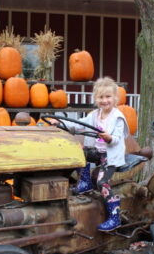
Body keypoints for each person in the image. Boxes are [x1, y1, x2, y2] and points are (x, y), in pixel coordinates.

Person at [52, 77, 129, 231]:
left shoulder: (118, 118)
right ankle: (85, 182)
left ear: (115, 98)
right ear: (96, 98)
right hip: (97, 152)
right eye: (101, 97)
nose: (104, 100)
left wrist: (109, 138)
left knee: (102, 183)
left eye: (108, 97)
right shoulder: (95, 115)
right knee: (78, 152)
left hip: (110, 156)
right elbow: (79, 124)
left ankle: (115, 216)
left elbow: (117, 139)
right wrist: (61, 123)